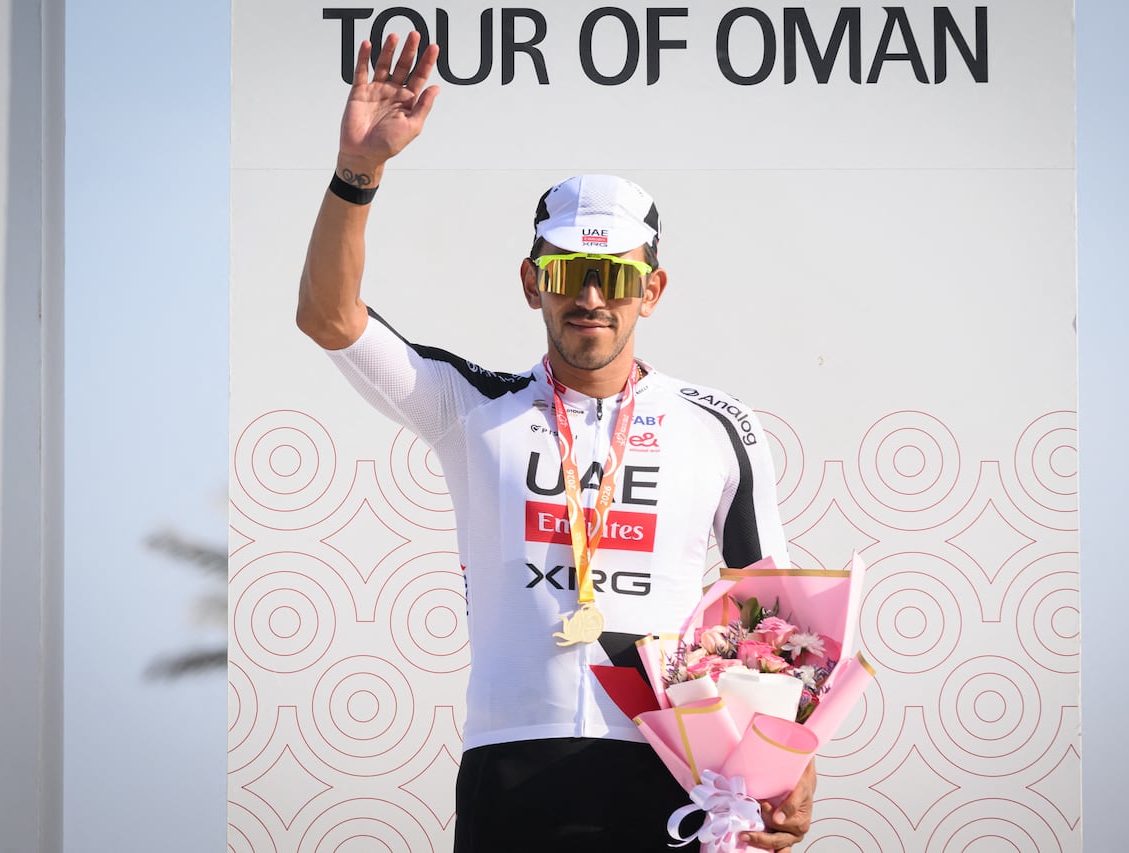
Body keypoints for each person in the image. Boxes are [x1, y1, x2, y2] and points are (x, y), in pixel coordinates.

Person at [296, 30, 816, 853]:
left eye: (614, 276)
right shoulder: (470, 405)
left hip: (672, 771)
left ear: (653, 290)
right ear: (532, 280)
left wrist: (788, 763)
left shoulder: (719, 425)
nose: (591, 296)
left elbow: (780, 622)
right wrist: (359, 173)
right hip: (512, 771)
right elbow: (330, 319)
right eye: (569, 270)